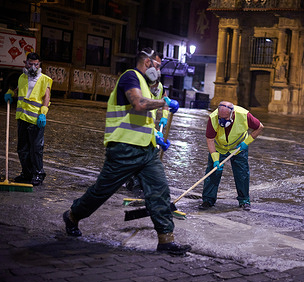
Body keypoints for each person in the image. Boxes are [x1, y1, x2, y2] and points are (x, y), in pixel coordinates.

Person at [62, 48, 191, 256]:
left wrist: (156, 136)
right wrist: (164, 103)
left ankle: (166, 240)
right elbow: (139, 104)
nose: (159, 71)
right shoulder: (130, 77)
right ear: (148, 63)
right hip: (123, 149)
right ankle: (72, 215)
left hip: (146, 151)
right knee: (101, 192)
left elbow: (145, 119)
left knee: (159, 190)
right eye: (157, 66)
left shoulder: (148, 86)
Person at [199, 101, 264, 211]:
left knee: (242, 173)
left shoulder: (244, 115)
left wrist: (247, 142)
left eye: (225, 118)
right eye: (221, 118)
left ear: (232, 113)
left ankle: (244, 200)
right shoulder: (213, 118)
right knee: (213, 172)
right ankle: (208, 200)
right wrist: (215, 159)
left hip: (239, 148)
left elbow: (260, 127)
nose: (222, 121)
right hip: (220, 148)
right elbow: (210, 140)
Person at [4, 52, 52, 186]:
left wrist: (43, 113)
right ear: (26, 63)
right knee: (22, 149)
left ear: (39, 64)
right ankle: (27, 173)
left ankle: (38, 174)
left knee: (36, 149)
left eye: (36, 64)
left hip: (36, 120)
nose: (33, 67)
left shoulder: (44, 79)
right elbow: (21, 88)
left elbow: (46, 97)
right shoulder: (22, 77)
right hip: (22, 118)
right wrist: (11, 92)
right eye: (30, 64)